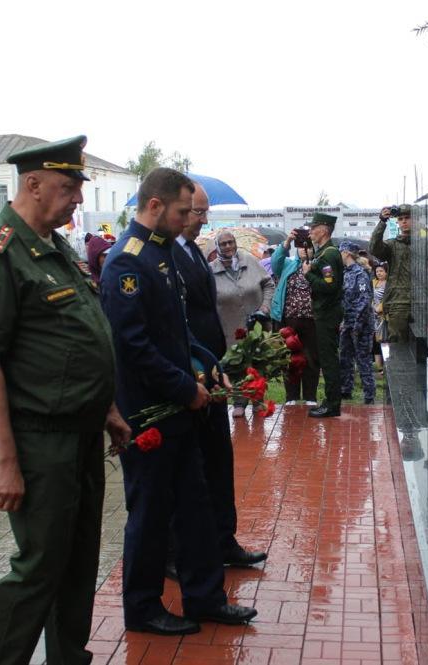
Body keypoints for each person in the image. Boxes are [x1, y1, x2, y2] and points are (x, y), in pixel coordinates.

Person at [0, 135, 130, 664]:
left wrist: (106, 410)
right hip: (40, 441)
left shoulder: (53, 249)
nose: (78, 198)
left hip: (80, 433)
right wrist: (5, 463)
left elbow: (75, 339)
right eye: (68, 186)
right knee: (38, 567)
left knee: (76, 561)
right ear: (32, 184)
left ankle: (68, 658)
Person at [102, 167, 257, 636]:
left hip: (179, 407)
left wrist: (207, 363)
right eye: (183, 211)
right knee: (150, 514)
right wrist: (185, 387)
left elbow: (177, 330)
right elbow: (133, 346)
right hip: (149, 411)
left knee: (194, 506)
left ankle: (205, 598)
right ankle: (143, 608)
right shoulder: (127, 262)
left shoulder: (162, 252)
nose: (190, 219)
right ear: (155, 206)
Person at [171, 181, 267, 571]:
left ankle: (224, 540)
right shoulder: (166, 254)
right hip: (191, 375)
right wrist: (198, 368)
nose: (203, 219)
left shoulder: (193, 251)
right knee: (190, 469)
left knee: (218, 461)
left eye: (204, 211)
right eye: (197, 212)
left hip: (212, 370)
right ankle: (178, 552)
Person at [211, 230, 274, 416]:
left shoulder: (249, 261)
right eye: (223, 244)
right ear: (217, 247)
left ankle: (257, 400)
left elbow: (268, 284)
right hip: (230, 327)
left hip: (257, 325)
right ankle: (239, 401)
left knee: (257, 361)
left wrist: (264, 307)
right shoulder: (211, 270)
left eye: (230, 242)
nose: (228, 246)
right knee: (237, 363)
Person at [303, 213, 344, 417]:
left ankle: (332, 404)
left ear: (324, 230)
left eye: (313, 228)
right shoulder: (324, 253)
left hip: (327, 313)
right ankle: (331, 401)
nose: (310, 231)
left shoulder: (328, 255)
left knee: (328, 360)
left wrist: (308, 274)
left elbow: (329, 286)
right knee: (327, 358)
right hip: (325, 311)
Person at [270, 232, 319, 402]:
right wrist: (288, 241)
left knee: (311, 358)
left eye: (309, 247)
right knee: (289, 358)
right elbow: (275, 263)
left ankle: (310, 396)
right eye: (301, 246)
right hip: (288, 320)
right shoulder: (288, 264)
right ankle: (291, 396)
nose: (305, 249)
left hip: (312, 320)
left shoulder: (318, 266)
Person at [338, 241, 376, 404]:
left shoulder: (360, 274)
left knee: (363, 359)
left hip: (361, 324)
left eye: (340, 252)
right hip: (347, 322)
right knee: (345, 357)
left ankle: (369, 395)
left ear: (346, 253)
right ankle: (345, 389)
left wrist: (358, 325)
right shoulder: (344, 273)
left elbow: (364, 300)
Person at [370, 204, 412, 342]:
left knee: (422, 346)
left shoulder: (424, 244)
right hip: (398, 302)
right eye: (400, 219)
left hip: (422, 301)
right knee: (398, 345)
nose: (404, 221)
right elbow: (374, 248)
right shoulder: (393, 245)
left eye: (407, 217)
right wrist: (382, 222)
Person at [372, 263, 388, 370]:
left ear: (386, 272)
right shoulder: (374, 282)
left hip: (384, 316)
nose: (379, 273)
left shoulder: (389, 284)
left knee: (385, 340)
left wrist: (380, 308)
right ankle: (379, 367)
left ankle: (387, 366)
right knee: (375, 341)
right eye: (377, 271)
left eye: (381, 271)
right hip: (373, 316)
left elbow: (387, 299)